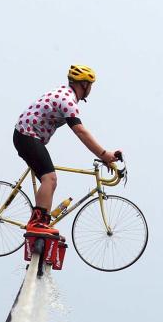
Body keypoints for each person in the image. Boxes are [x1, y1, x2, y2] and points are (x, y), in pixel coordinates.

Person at [14, 65, 122, 234]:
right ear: (84, 85)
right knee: (50, 179)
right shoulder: (68, 100)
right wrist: (104, 154)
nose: (91, 89)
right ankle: (37, 223)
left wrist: (104, 156)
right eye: (91, 85)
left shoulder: (66, 94)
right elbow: (80, 131)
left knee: (49, 179)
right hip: (27, 135)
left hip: (28, 136)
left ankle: (43, 222)